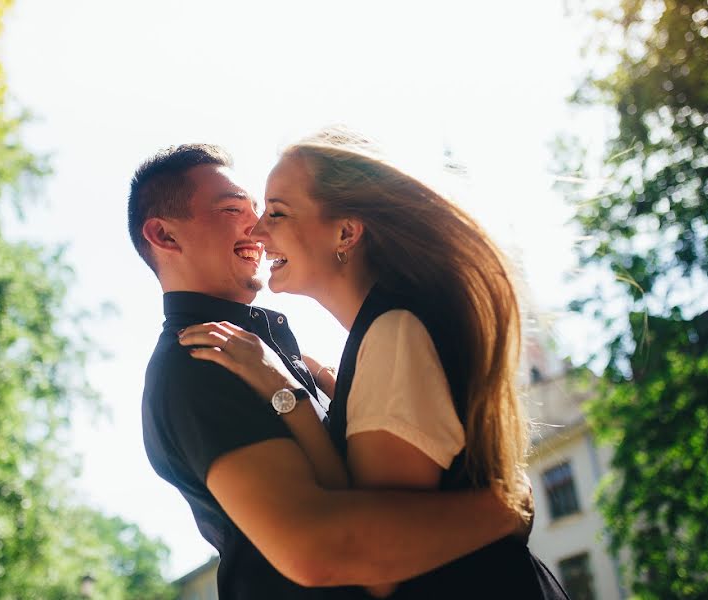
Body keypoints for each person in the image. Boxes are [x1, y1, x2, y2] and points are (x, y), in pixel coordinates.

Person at [129, 143, 533, 600]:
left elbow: (364, 500)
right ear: (164, 236)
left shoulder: (270, 352)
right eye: (231, 209)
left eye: (270, 212)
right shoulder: (200, 361)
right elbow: (325, 551)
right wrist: (504, 508)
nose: (257, 229)